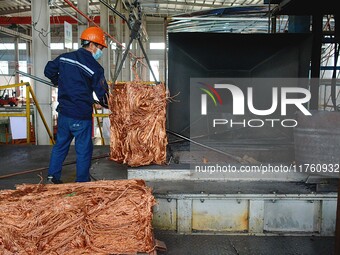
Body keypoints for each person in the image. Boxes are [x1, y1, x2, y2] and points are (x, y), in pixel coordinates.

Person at [44, 26, 109, 183]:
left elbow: (48, 70)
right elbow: (103, 95)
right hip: (81, 116)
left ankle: (52, 177)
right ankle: (82, 182)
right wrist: (107, 103)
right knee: (83, 150)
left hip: (64, 114)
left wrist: (58, 81)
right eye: (100, 47)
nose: (100, 51)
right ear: (92, 44)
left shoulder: (65, 57)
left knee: (60, 146)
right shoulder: (95, 68)